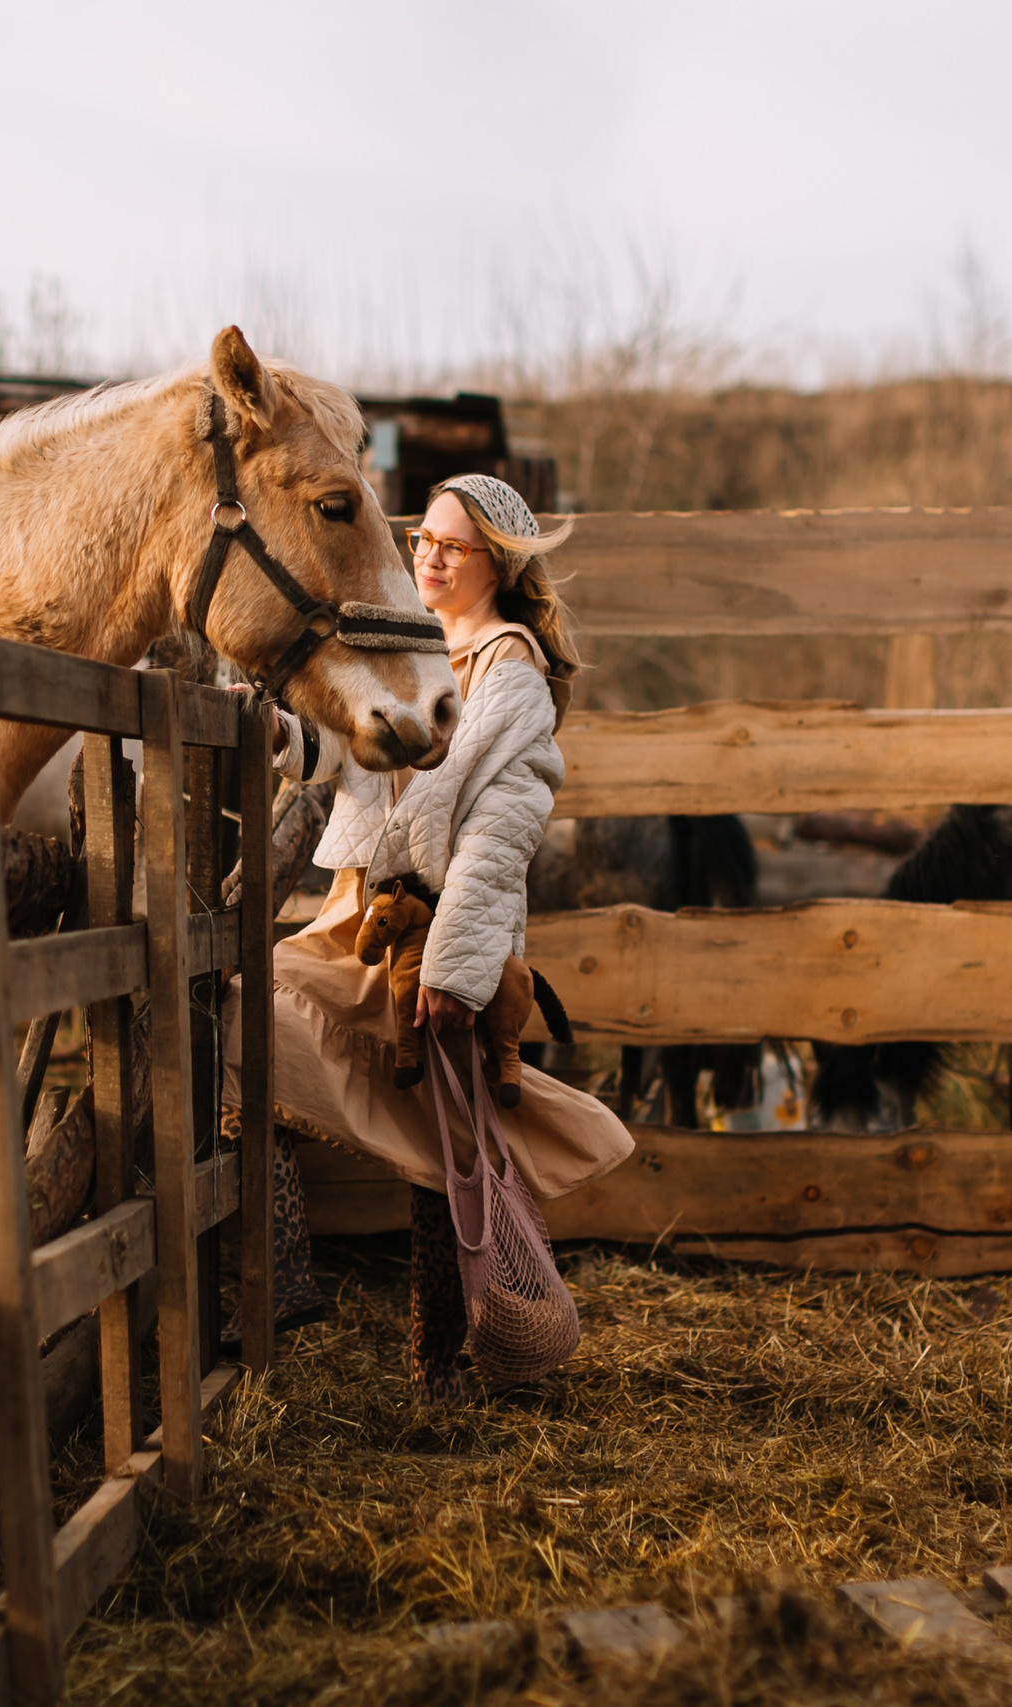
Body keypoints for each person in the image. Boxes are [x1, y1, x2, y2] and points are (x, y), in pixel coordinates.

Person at [228, 473, 631, 1403]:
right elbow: (354, 740)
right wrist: (291, 739)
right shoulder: (405, 642)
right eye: (423, 540)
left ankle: (443, 1368)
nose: (429, 556)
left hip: (444, 928)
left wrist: (454, 968)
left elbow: (499, 836)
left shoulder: (510, 676)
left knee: (439, 1136)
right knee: (240, 1010)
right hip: (358, 922)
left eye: (452, 545)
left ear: (497, 563)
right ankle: (281, 1272)